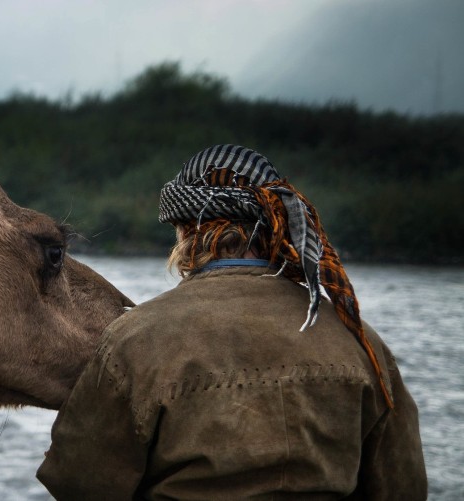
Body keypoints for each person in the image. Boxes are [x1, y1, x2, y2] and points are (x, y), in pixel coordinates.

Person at [37, 145, 427, 500]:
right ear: (277, 228)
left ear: (187, 231)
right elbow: (403, 487)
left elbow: (77, 483)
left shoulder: (135, 339)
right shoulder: (361, 344)